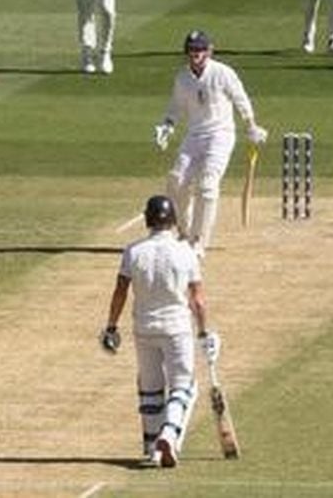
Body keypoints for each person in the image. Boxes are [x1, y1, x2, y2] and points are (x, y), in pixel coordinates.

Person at [100, 195, 220, 468]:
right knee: (183, 387)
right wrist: (204, 333)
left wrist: (111, 326)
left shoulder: (133, 252)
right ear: (173, 220)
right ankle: (169, 433)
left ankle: (152, 448)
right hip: (177, 329)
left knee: (150, 389)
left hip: (144, 329)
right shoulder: (186, 252)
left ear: (147, 219)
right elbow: (197, 299)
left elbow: (120, 291)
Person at [154, 30, 268, 258]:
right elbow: (175, 107)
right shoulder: (182, 77)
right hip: (194, 135)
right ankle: (184, 233)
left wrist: (251, 125)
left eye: (200, 49)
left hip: (220, 134)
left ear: (209, 51)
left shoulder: (222, 73)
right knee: (176, 181)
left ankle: (199, 241)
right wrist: (166, 126)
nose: (195, 53)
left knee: (207, 184)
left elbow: (240, 99)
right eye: (192, 49)